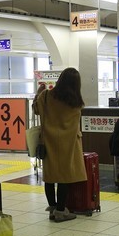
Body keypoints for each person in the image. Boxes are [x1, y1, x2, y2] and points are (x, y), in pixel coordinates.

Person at [33, 67, 87, 223]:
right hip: (68, 142)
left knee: (49, 176)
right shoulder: (76, 101)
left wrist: (39, 92)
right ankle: (61, 210)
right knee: (64, 176)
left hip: (49, 140)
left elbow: (37, 110)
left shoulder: (46, 96)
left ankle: (52, 208)